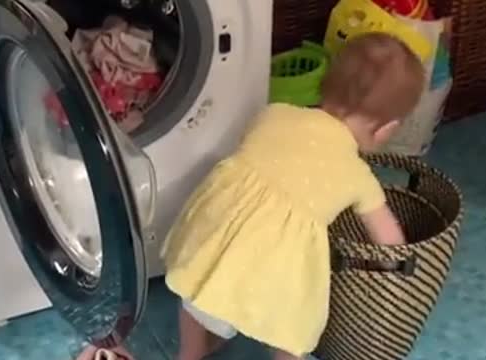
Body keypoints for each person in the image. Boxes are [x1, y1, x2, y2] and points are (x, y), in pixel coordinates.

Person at [160, 32, 426, 360]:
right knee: (292, 328)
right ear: (385, 130)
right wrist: (404, 269)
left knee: (195, 301)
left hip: (212, 244)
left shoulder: (274, 113)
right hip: (273, 271)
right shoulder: (358, 176)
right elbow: (389, 239)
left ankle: (190, 354)